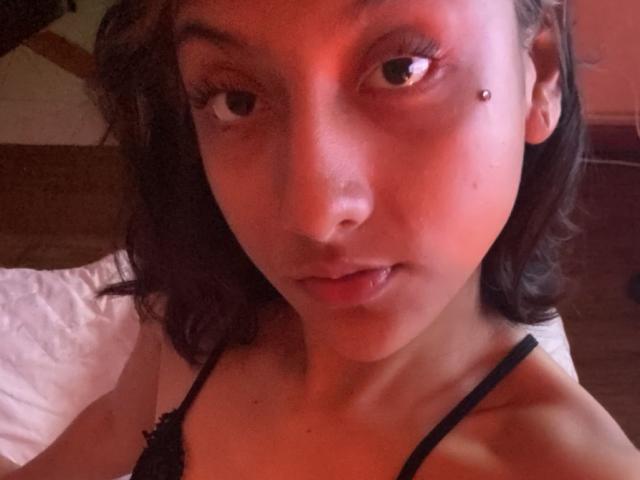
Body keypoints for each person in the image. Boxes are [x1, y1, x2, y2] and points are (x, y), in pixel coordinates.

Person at [3, 0, 640, 478]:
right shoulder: (198, 322)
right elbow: (116, 426)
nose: (311, 215)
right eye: (235, 99)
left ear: (540, 75)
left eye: (401, 69)